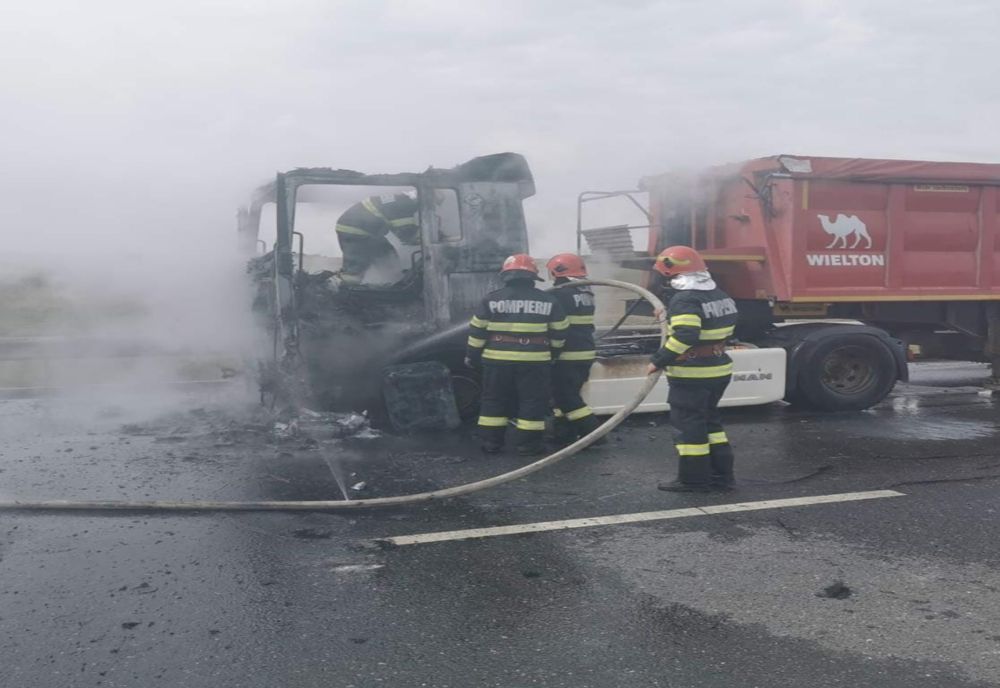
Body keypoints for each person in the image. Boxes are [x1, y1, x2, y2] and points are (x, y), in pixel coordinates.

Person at [646, 246, 739, 492]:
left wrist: (659, 359)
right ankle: (722, 476)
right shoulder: (718, 294)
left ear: (671, 273)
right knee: (710, 423)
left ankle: (693, 479)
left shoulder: (685, 299)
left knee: (689, 426)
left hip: (693, 372)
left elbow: (686, 334)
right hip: (718, 369)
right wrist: (668, 314)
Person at [465, 254, 569, 455]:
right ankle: (527, 445)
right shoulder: (548, 300)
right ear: (533, 277)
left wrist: (472, 355)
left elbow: (477, 331)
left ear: (506, 276)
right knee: (532, 401)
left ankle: (491, 443)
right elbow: (560, 331)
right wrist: (554, 353)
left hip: (496, 360)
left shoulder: (491, 299)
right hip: (534, 361)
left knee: (494, 400)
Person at [545, 253, 605, 446]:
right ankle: (564, 435)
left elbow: (554, 325)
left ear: (556, 272)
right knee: (563, 396)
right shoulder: (586, 293)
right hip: (584, 352)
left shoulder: (558, 294)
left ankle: (594, 434)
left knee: (567, 398)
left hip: (566, 354)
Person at [335, 192, 420, 285]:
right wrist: (420, 240)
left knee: (387, 254)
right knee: (356, 266)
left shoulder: (398, 199)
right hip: (354, 232)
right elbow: (406, 231)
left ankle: (393, 281)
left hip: (361, 231)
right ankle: (343, 288)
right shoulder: (405, 204)